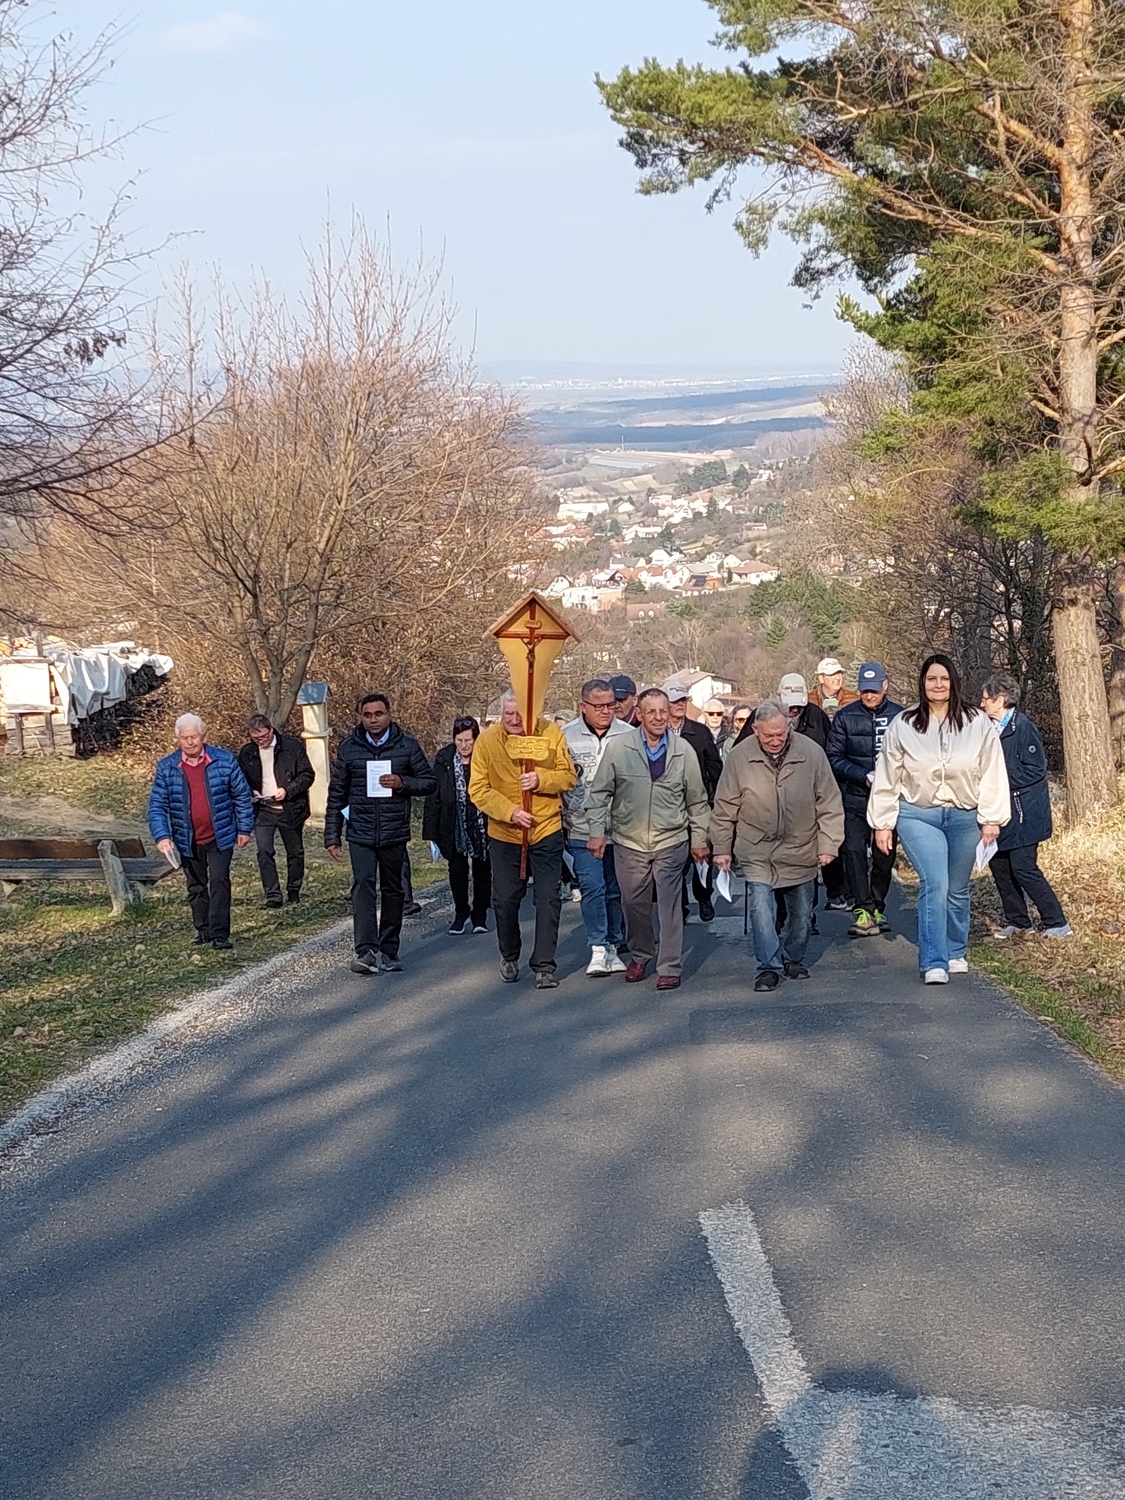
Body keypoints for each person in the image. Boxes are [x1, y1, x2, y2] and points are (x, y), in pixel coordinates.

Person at [869, 654, 1010, 984]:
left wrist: (992, 818)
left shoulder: (976, 722)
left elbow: (992, 770)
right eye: (931, 678)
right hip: (918, 814)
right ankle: (934, 960)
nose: (938, 685)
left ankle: (955, 950)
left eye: (944, 679)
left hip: (964, 815)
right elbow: (888, 774)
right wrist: (883, 822)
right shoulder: (904, 724)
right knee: (935, 882)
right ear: (922, 683)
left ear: (953, 682)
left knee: (957, 889)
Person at [712, 700, 844, 991]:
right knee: (762, 912)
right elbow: (724, 807)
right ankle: (768, 967)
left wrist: (829, 844)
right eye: (768, 735)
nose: (775, 741)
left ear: (790, 727)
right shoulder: (739, 757)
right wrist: (721, 848)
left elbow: (830, 802)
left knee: (802, 916)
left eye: (781, 734)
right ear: (755, 729)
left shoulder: (812, 753)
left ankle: (793, 957)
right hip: (756, 849)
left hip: (801, 846)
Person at [585, 687, 711, 990]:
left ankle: (669, 966)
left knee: (670, 905)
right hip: (629, 841)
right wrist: (596, 832)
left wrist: (699, 839)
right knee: (633, 903)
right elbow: (600, 793)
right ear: (639, 714)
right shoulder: (619, 748)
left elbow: (697, 801)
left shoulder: (683, 751)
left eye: (663, 711)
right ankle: (641, 954)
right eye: (651, 711)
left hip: (671, 840)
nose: (658, 717)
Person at [469, 688, 577, 988]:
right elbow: (478, 789)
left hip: (545, 828)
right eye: (508, 714)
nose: (514, 720)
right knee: (505, 900)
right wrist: (511, 811)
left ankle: (544, 965)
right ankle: (509, 954)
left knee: (548, 898)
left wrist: (542, 780)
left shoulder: (551, 733)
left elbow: (568, 776)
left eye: (520, 715)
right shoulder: (487, 741)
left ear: (533, 713)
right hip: (505, 832)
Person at [325, 694, 436, 976]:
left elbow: (429, 782)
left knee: (393, 890)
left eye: (378, 714)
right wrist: (332, 835)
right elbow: (337, 792)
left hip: (393, 831)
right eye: (367, 715)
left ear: (389, 715)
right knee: (362, 886)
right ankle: (365, 951)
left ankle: (389, 950)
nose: (373, 719)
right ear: (360, 717)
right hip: (360, 831)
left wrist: (402, 783)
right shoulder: (349, 747)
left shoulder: (406, 745)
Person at [149, 712, 254, 950]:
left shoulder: (224, 760)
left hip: (220, 835)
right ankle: (203, 929)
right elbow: (157, 806)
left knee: (219, 881)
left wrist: (244, 828)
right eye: (184, 738)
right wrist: (162, 836)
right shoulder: (167, 767)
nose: (190, 742)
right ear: (178, 738)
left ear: (204, 736)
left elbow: (241, 796)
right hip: (187, 838)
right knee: (195, 885)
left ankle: (220, 934)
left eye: (194, 737)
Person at [979, 673, 1071, 939]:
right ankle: (1018, 921)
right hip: (1000, 812)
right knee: (1000, 866)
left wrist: (998, 780)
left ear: (1001, 700)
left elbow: (1035, 769)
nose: (982, 704)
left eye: (986, 699)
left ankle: (1057, 922)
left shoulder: (1023, 726)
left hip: (1025, 813)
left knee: (1023, 868)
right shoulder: (987, 728)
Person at [826, 663, 903, 936]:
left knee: (884, 856)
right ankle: (862, 909)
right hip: (855, 796)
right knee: (853, 851)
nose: (869, 695)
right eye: (864, 690)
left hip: (889, 801)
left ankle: (878, 906)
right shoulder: (845, 717)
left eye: (874, 690)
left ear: (885, 686)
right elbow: (833, 757)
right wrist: (863, 776)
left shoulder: (900, 716)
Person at [562, 679, 631, 975]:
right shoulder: (565, 736)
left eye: (610, 705)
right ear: (583, 707)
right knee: (592, 885)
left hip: (620, 828)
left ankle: (614, 944)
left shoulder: (628, 735)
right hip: (581, 826)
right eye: (599, 706)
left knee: (615, 889)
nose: (606, 711)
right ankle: (598, 946)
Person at [237, 713, 316, 909]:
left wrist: (287, 790)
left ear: (271, 730)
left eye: (264, 736)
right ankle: (272, 895)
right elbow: (240, 779)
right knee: (264, 851)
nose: (261, 741)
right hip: (263, 809)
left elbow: (307, 775)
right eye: (256, 738)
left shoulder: (292, 747)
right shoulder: (247, 752)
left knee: (295, 852)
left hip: (290, 808)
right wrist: (250, 792)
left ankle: (294, 890)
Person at [423, 715, 492, 935]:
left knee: (482, 870)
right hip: (453, 822)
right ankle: (461, 914)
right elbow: (434, 795)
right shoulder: (444, 759)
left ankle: (480, 915)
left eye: (468, 740)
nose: (464, 745)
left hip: (481, 822)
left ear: (476, 739)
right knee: (457, 871)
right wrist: (430, 831)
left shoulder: (486, 756)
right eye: (459, 740)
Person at [664, 678, 722, 922]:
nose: (680, 704)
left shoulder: (700, 732)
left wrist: (717, 800)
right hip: (667, 806)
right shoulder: (656, 731)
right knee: (674, 858)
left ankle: (704, 897)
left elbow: (715, 766)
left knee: (702, 854)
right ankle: (681, 904)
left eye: (683, 700)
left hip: (698, 802)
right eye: (675, 701)